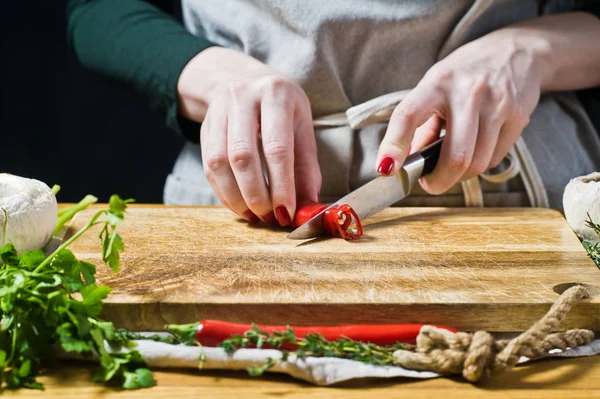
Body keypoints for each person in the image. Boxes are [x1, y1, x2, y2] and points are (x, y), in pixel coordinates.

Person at [67, 0, 600, 227]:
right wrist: (215, 76)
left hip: (519, 206)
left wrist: (533, 50)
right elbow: (95, 8)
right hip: (240, 202)